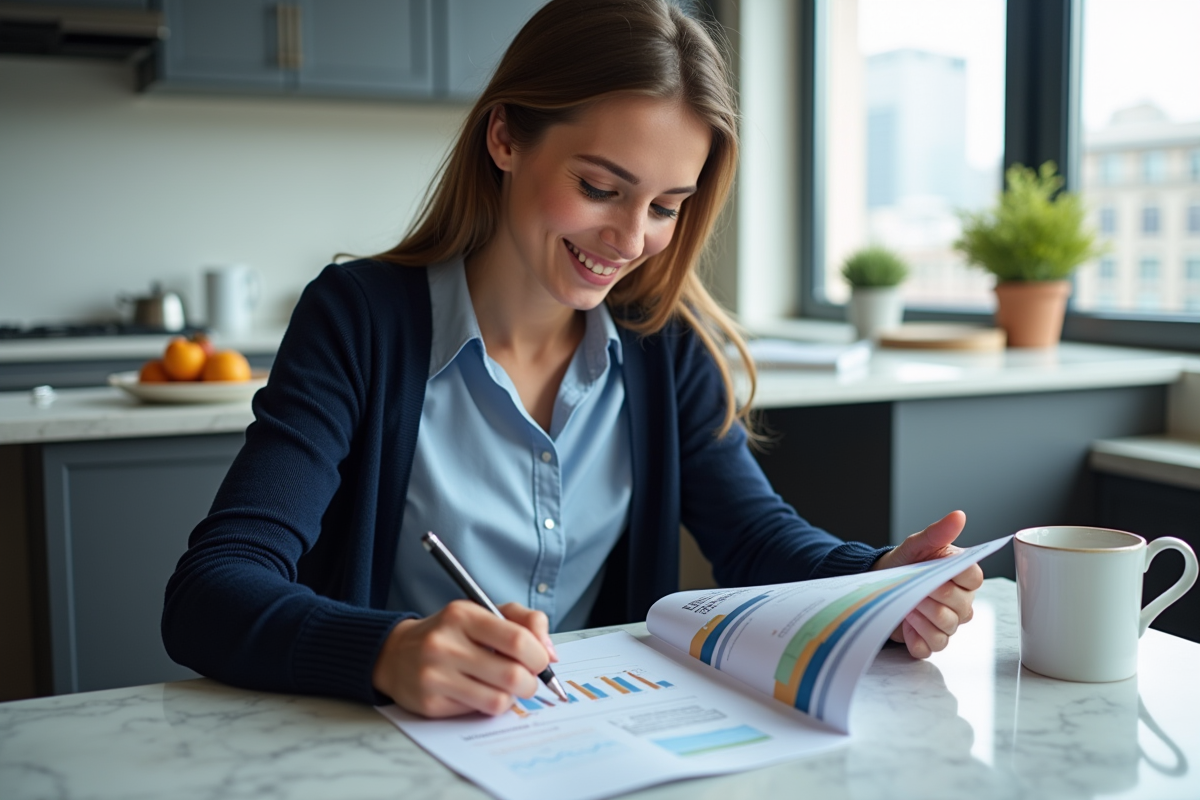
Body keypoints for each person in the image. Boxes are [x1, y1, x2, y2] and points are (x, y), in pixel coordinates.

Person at [162, 0, 983, 719]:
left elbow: (756, 539)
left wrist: (878, 582)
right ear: (505, 136)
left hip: (580, 738)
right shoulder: (359, 319)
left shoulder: (665, 345)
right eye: (599, 187)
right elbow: (212, 591)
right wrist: (389, 652)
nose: (630, 241)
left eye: (665, 206)